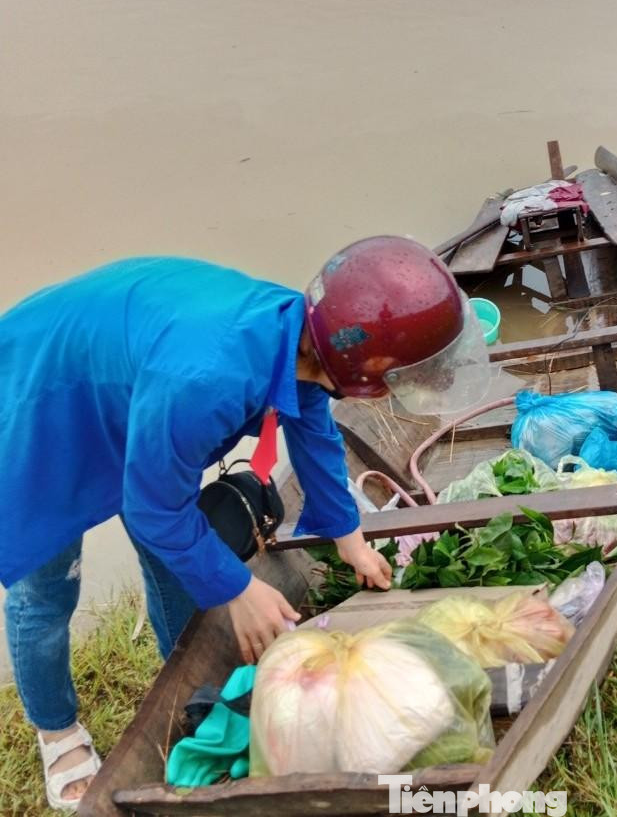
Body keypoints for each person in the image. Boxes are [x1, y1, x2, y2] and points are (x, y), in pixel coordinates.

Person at [0, 236, 493, 810]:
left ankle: (185, 683)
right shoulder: (208, 380)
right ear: (365, 369)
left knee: (174, 557)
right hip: (39, 398)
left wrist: (349, 536)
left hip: (135, 382)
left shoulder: (305, 336)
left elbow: (313, 425)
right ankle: (57, 731)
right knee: (47, 587)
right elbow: (155, 510)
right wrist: (238, 588)